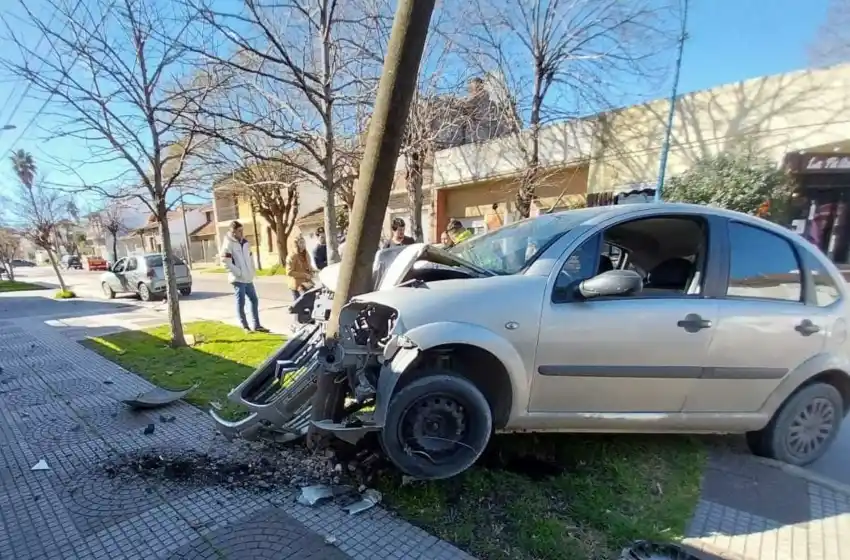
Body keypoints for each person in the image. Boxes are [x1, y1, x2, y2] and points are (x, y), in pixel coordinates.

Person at [220, 221, 269, 333]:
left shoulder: (245, 242)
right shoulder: (228, 244)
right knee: (241, 302)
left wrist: (252, 271)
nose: (242, 233)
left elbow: (250, 257)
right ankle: (245, 326)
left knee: (254, 300)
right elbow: (225, 262)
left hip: (248, 278)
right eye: (239, 231)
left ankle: (257, 325)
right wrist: (238, 273)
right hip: (238, 279)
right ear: (233, 232)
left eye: (242, 230)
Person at [285, 235, 315, 301]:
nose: (303, 244)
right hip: (297, 285)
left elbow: (308, 265)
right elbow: (289, 272)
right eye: (301, 243)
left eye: (304, 242)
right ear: (296, 244)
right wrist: (304, 275)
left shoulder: (306, 253)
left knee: (311, 301)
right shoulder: (292, 256)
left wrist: (312, 271)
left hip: (307, 283)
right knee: (299, 305)